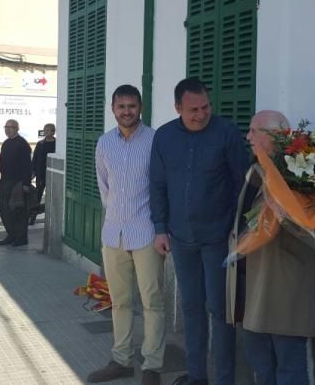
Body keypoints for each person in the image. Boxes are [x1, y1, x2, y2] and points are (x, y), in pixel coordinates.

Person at [150, 78, 248, 385]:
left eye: (205, 106)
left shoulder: (227, 133)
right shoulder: (164, 137)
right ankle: (196, 376)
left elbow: (242, 185)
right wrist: (160, 229)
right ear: (178, 107)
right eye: (193, 109)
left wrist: (237, 227)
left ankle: (224, 379)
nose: (201, 114)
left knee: (220, 311)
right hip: (181, 238)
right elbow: (158, 185)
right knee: (191, 308)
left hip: (218, 237)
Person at [227, 111, 315, 385]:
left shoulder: (303, 175)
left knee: (289, 369)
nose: (248, 136)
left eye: (254, 131)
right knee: (261, 365)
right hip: (251, 289)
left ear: (275, 137)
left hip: (283, 290)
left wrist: (285, 213)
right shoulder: (255, 171)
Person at [87, 85, 165, 385]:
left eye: (132, 106)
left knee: (152, 302)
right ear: (113, 108)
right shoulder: (105, 143)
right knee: (119, 302)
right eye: (121, 106)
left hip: (146, 233)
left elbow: (162, 185)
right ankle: (121, 359)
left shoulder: (156, 140)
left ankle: (152, 366)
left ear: (140, 107)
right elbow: (104, 186)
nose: (127, 111)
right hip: (113, 234)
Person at [0, 119, 32, 247]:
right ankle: (11, 234)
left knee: (18, 211)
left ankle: (21, 238)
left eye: (10, 127)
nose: (7, 129)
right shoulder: (6, 143)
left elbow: (27, 165)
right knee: (4, 210)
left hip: (18, 183)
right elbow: (1, 161)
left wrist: (26, 184)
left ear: (17, 128)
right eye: (6, 127)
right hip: (5, 181)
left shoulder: (22, 144)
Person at [29, 122, 56, 225]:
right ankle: (32, 217)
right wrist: (33, 172)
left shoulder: (57, 144)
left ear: (53, 132)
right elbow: (35, 158)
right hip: (41, 174)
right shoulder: (40, 144)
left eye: (50, 130)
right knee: (37, 197)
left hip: (52, 174)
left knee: (51, 197)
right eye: (46, 130)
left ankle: (50, 218)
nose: (47, 132)